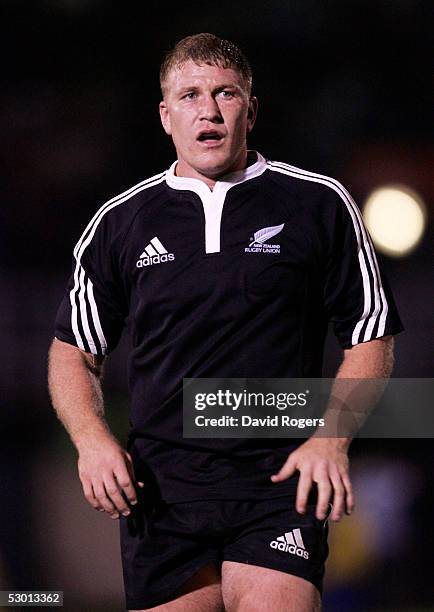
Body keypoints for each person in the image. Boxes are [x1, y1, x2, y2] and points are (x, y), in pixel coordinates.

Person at [48, 33, 403, 611]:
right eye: (188, 96)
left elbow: (370, 335)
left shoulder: (318, 203)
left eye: (225, 94)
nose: (207, 110)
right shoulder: (120, 221)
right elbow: (74, 351)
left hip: (278, 479)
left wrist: (331, 440)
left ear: (251, 109)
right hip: (161, 491)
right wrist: (91, 441)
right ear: (166, 117)